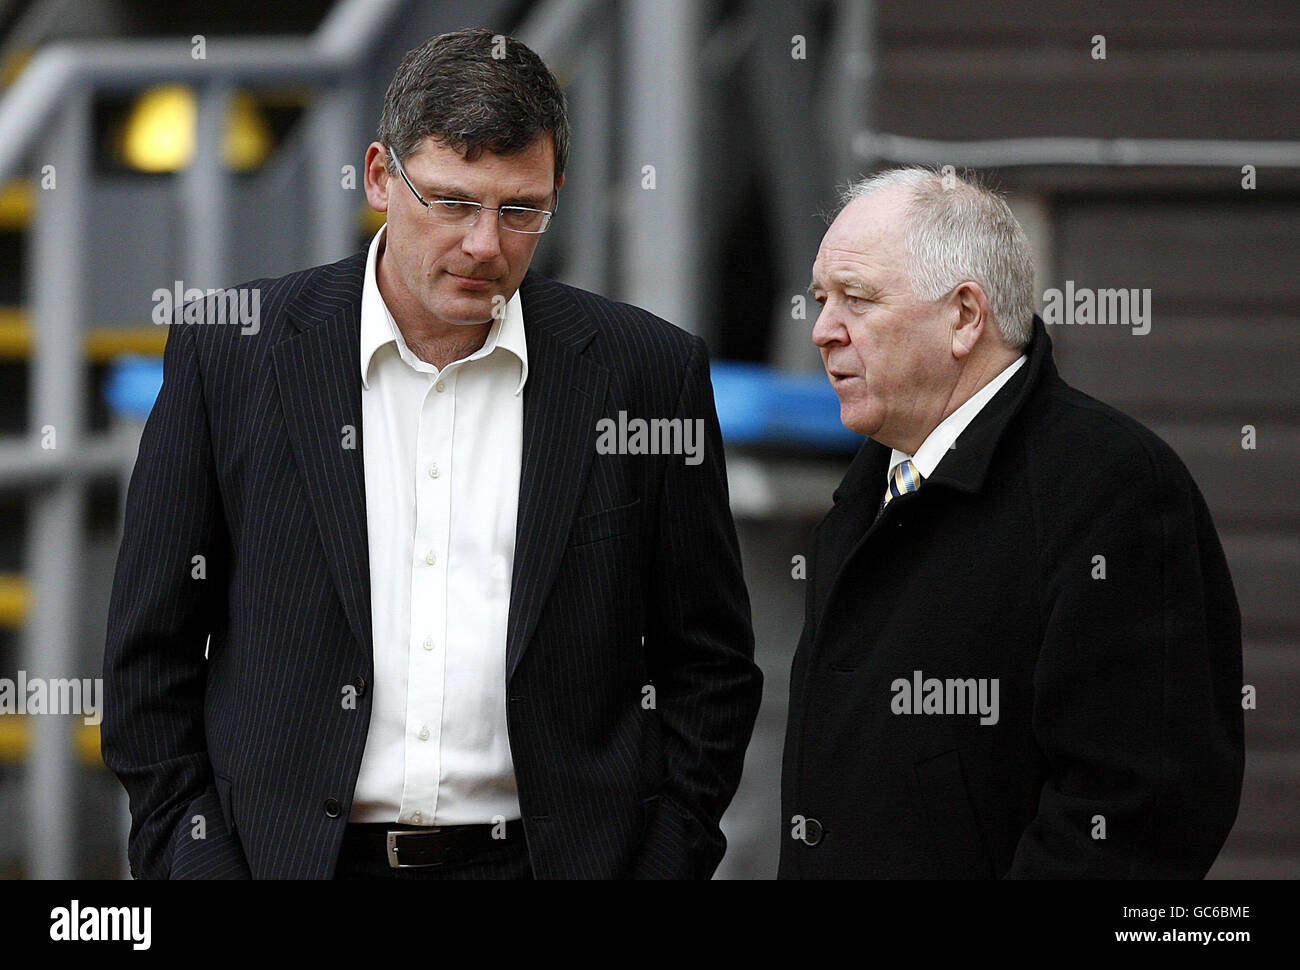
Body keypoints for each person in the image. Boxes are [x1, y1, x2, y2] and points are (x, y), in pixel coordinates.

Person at [103, 28, 761, 880]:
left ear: (557, 191)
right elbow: (145, 659)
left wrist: (663, 861)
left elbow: (709, 665)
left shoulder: (648, 373)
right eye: (452, 202)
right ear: (380, 177)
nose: (486, 244)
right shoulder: (232, 352)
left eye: (520, 209)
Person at [780, 166, 1243, 878]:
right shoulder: (869, 490)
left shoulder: (1111, 485)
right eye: (820, 298)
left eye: (856, 299)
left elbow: (1136, 812)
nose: (821, 330)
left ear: (965, 317)